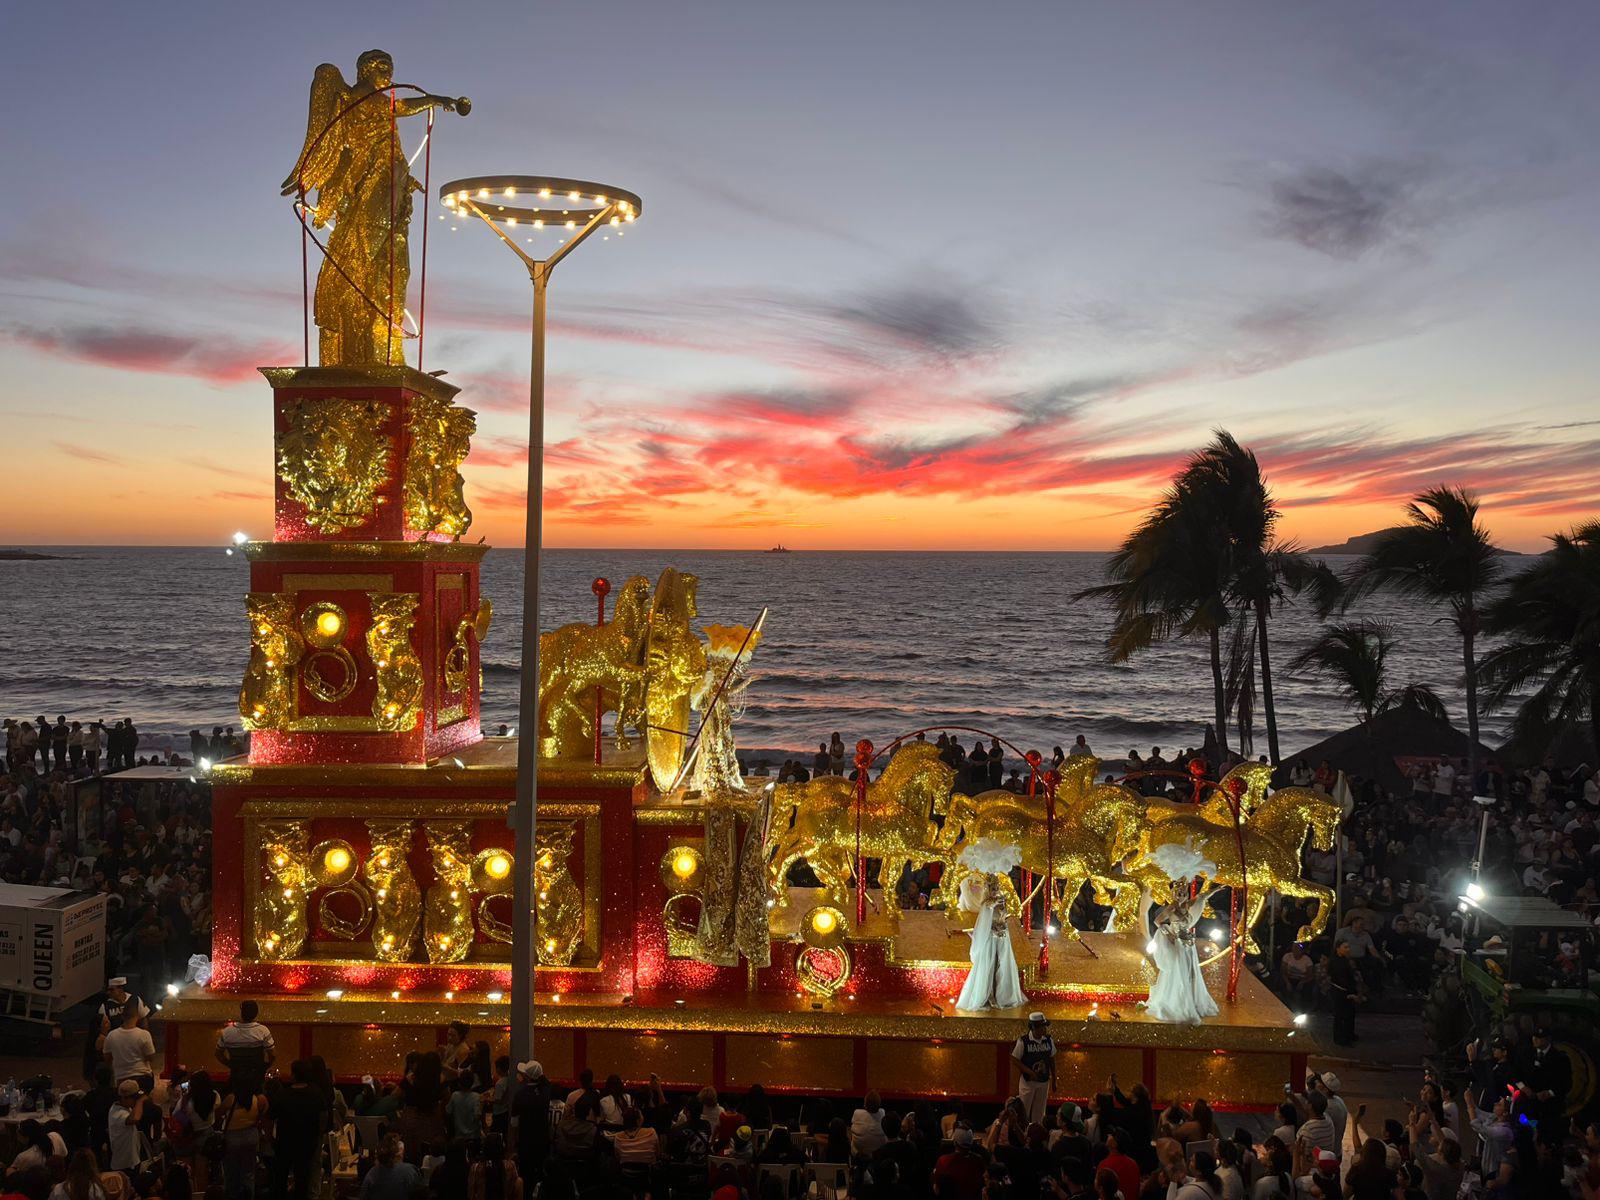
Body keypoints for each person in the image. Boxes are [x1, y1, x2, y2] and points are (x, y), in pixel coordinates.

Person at [953, 841, 1027, 1012]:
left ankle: (1002, 995)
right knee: (990, 967)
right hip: (990, 940)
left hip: (1003, 938)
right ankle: (988, 995)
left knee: (1003, 967)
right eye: (992, 887)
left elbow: (1005, 917)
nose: (995, 890)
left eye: (996, 887)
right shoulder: (987, 905)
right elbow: (984, 923)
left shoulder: (1000, 901)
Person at [1143, 871, 1220, 1025]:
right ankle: (1180, 1003)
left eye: (1183, 893)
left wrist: (1214, 891)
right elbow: (1157, 921)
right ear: (1173, 894)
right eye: (1178, 894)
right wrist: (1168, 935)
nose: (1180, 896)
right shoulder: (1171, 907)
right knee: (1180, 973)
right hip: (1178, 945)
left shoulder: (1187, 904)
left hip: (1189, 945)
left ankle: (1192, 1001)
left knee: (1192, 974)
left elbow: (1201, 897)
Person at [1010, 1014, 1057, 1126]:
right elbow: (1015, 1060)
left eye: (1045, 1026)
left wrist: (1054, 1079)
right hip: (1028, 1083)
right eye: (1042, 1027)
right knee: (1024, 1110)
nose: (1044, 1029)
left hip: (1044, 1082)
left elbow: (1052, 1060)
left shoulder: (1049, 1040)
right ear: (1033, 1028)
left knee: (1040, 1112)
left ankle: (1036, 1135)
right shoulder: (1023, 1041)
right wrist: (1029, 1072)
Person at [215, 1000, 275, 1087]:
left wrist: (230, 1064)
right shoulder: (263, 1030)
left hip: (236, 1074)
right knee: (258, 1095)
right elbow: (272, 1054)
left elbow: (218, 1054)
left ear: (241, 1012)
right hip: (256, 1075)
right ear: (256, 1013)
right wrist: (266, 1066)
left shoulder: (228, 1031)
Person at [509, 1060, 551, 1180]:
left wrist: (512, 1145)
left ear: (526, 1077)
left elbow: (514, 1123)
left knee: (526, 1175)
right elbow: (545, 1082)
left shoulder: (519, 1095)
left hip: (525, 1140)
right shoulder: (546, 1092)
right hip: (542, 1140)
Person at [103, 1006, 156, 1094]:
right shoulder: (144, 1034)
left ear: (122, 1017)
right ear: (137, 1017)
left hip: (121, 1077)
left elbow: (107, 1057)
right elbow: (151, 1057)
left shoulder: (111, 1035)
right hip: (142, 1075)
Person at [359, 1135, 420, 1200]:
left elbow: (363, 1196)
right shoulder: (410, 1170)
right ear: (396, 1154)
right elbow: (420, 1193)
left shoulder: (372, 1173)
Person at [107, 1082, 147, 1175]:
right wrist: (140, 1101)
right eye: (135, 1098)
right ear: (124, 1098)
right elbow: (135, 1118)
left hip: (130, 1161)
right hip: (124, 1164)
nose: (135, 1101)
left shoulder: (124, 1107)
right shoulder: (117, 1113)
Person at [849, 1091, 888, 1157]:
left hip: (858, 1153)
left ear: (865, 1105)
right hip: (877, 1154)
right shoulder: (882, 1113)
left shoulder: (857, 1113)